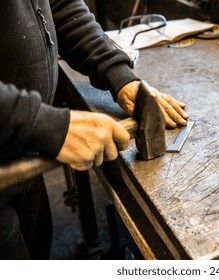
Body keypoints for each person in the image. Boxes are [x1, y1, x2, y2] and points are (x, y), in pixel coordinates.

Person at [0, 0, 188, 259]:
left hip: (24, 155)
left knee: (38, 249)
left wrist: (116, 73)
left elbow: (59, 6)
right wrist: (41, 123)